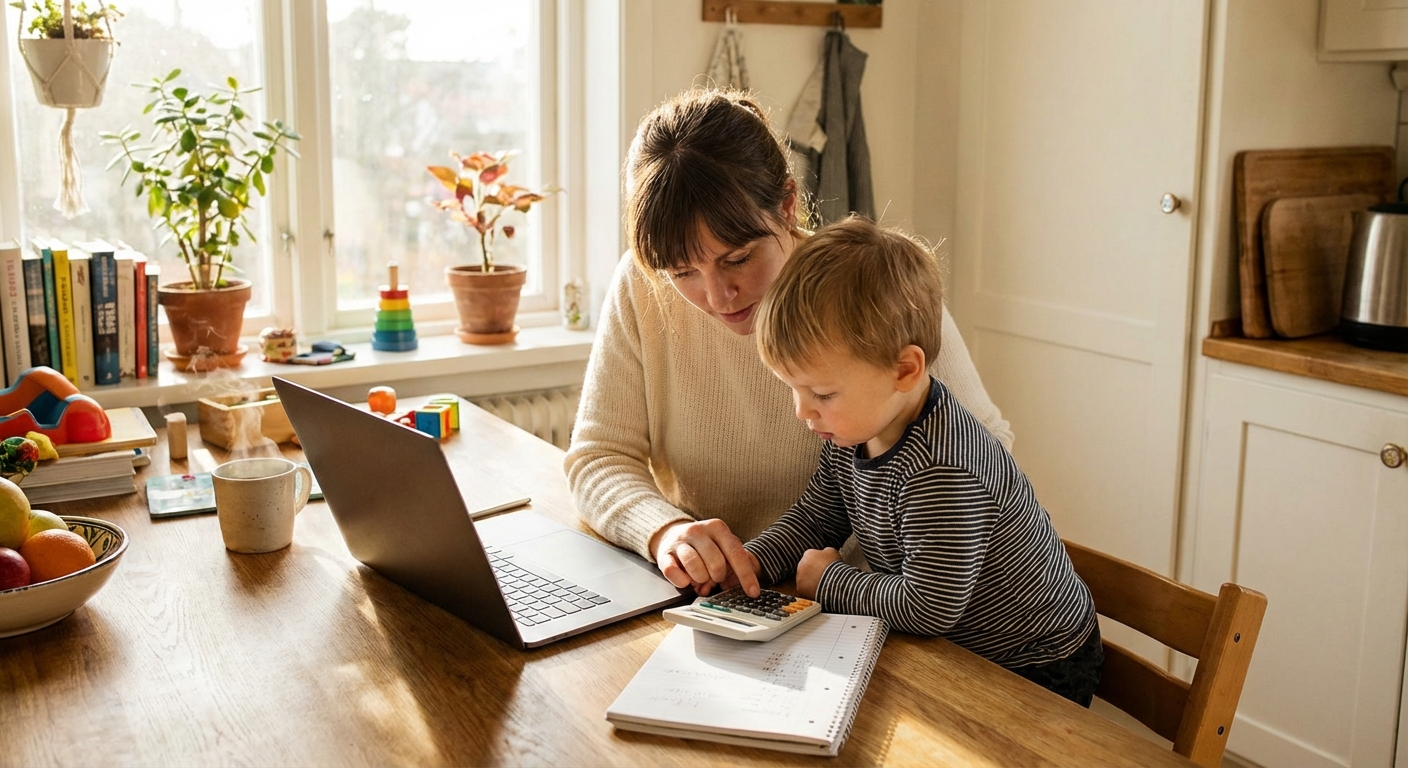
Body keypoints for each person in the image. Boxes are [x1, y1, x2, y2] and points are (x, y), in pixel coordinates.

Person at [565, 88, 1013, 598]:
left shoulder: (864, 290)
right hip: (723, 597)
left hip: (869, 608)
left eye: (737, 258)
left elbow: (987, 449)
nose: (716, 296)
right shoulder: (641, 287)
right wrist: (664, 532)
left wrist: (848, 580)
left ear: (788, 204)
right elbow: (598, 458)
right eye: (682, 271)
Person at [738, 217, 1102, 706]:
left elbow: (928, 607)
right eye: (794, 389)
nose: (802, 411)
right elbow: (816, 517)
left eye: (821, 392)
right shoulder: (853, 429)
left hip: (1034, 664)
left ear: (904, 370)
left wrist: (830, 582)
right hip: (955, 649)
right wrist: (751, 562)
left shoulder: (942, 470)